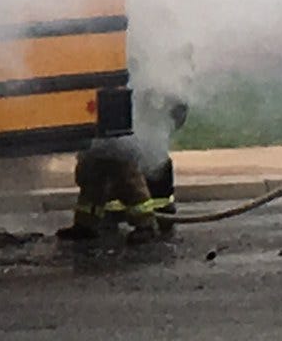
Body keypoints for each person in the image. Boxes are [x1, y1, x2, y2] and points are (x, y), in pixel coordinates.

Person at [60, 93, 188, 246]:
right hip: (99, 112)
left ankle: (145, 226)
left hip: (116, 118)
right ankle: (86, 224)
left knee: (127, 177)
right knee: (91, 172)